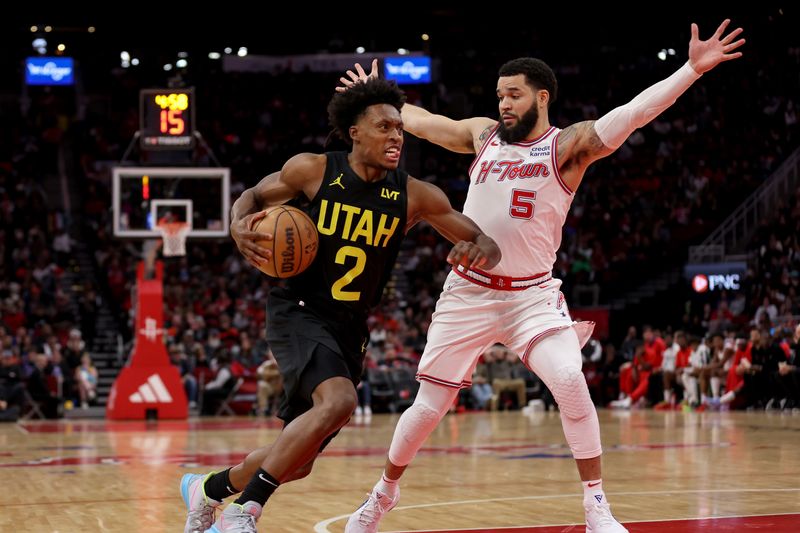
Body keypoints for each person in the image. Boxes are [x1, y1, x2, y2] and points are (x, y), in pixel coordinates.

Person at [337, 19, 744, 533]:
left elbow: (635, 114)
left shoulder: (568, 147)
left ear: (541, 98)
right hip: (470, 293)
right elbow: (420, 120)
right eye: (499, 95)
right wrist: (375, 97)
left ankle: (597, 505)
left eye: (513, 95)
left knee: (570, 380)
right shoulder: (482, 136)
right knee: (428, 406)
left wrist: (690, 69)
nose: (503, 104)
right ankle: (382, 495)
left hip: (532, 296)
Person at [180, 77, 501, 533]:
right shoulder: (312, 170)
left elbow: (482, 240)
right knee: (340, 401)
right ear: (355, 131)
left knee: (299, 462)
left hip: (350, 327)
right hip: (298, 307)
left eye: (399, 129)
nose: (396, 137)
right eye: (384, 127)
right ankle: (242, 511)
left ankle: (207, 490)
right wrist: (237, 224)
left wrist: (480, 251)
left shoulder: (414, 195)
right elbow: (253, 195)